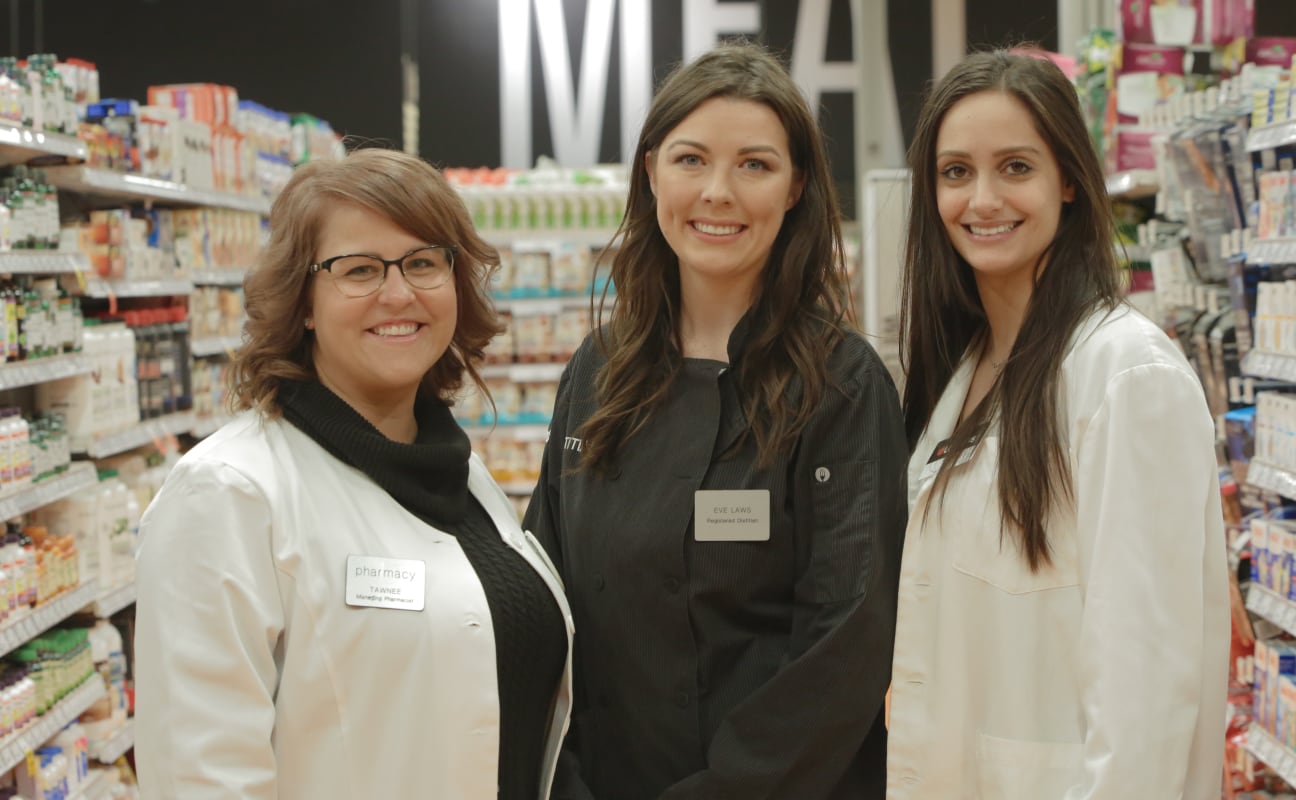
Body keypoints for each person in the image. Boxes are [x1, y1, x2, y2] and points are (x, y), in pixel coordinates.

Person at [524, 42, 907, 800]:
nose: (717, 193)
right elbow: (548, 595)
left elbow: (848, 641)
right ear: (651, 173)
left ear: (797, 186)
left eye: (755, 165)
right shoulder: (596, 373)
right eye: (690, 159)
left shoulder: (844, 385)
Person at [134, 148, 573, 799]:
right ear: (302, 301)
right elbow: (202, 777)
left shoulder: (461, 472)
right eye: (359, 269)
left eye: (424, 262)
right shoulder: (230, 493)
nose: (399, 293)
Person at [888, 49, 1228, 798]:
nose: (981, 199)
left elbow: (1144, 686)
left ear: (1068, 179)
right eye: (955, 172)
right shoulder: (966, 365)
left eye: (1015, 167)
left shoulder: (1125, 376)